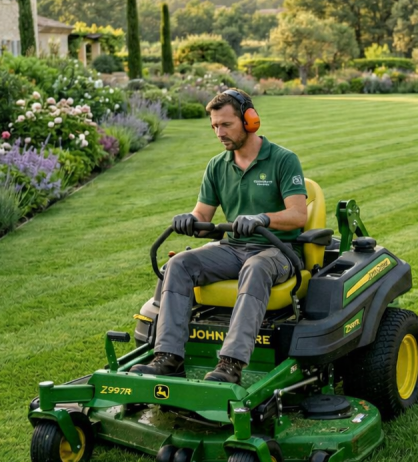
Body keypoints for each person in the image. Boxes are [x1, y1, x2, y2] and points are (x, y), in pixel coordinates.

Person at [130, 89, 307, 384]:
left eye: (226, 125)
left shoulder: (283, 160)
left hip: (278, 251)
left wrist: (263, 218)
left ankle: (230, 364)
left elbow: (299, 216)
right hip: (233, 248)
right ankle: (168, 357)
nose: (219, 133)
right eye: (214, 126)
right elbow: (203, 216)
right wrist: (190, 220)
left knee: (256, 267)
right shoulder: (217, 166)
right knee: (179, 264)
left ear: (250, 120)